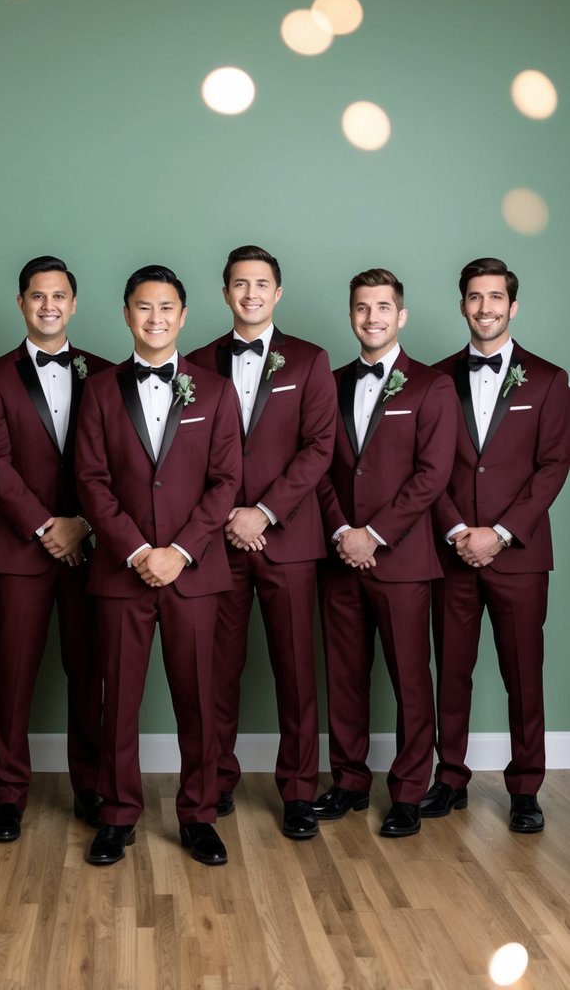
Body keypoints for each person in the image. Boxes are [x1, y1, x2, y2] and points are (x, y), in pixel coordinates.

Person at [75, 265, 241, 866]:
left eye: (166, 307)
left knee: (199, 698)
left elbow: (226, 482)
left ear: (184, 315)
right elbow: (90, 482)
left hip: (194, 572)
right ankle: (118, 815)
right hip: (124, 571)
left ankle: (198, 814)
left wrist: (182, 551)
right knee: (117, 700)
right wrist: (140, 551)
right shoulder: (97, 390)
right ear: (126, 315)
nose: (155, 318)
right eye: (143, 308)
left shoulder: (215, 391)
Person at [187, 245, 335, 839]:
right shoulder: (195, 361)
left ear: (278, 293)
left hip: (289, 539)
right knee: (215, 669)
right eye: (240, 284)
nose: (251, 293)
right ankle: (216, 779)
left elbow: (319, 448)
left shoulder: (310, 360)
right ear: (225, 293)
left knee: (296, 671)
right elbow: (188, 455)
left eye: (262, 284)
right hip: (216, 541)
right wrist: (225, 516)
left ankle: (299, 792)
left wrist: (266, 512)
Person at [423, 257, 570, 834]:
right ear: (462, 304)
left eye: (496, 298)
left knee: (522, 672)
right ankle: (451, 777)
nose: (485, 308)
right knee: (451, 670)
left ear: (513, 306)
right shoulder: (435, 380)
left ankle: (526, 786)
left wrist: (502, 533)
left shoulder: (550, 379)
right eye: (475, 297)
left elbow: (554, 465)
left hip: (520, 557)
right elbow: (427, 468)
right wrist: (459, 531)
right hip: (450, 552)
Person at [315, 268, 457, 837]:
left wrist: (372, 535)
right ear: (351, 315)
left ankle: (407, 791)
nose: (371, 317)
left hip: (399, 559)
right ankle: (349, 781)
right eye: (361, 307)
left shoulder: (430, 385)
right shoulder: (328, 381)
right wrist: (341, 532)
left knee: (409, 679)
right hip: (339, 556)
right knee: (344, 676)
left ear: (401, 316)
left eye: (382, 307)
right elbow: (318, 465)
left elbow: (431, 475)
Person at [0, 255, 110, 843]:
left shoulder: (105, 374)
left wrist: (81, 524)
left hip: (91, 548)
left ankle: (91, 787)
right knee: (13, 674)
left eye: (59, 296)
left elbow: (116, 466)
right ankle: (7, 794)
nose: (48, 305)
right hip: (20, 550)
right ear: (22, 303)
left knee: (90, 671)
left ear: (74, 304)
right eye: (37, 296)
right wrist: (45, 527)